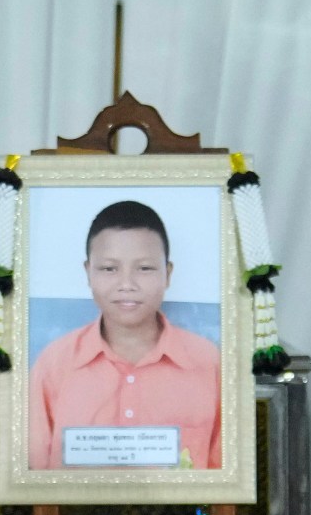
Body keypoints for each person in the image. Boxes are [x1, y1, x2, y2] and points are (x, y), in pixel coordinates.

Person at [27, 198, 222, 469]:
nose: (127, 284)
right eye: (109, 269)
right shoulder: (54, 364)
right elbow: (35, 475)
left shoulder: (210, 364)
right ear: (88, 273)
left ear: (167, 274)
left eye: (144, 268)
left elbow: (225, 478)